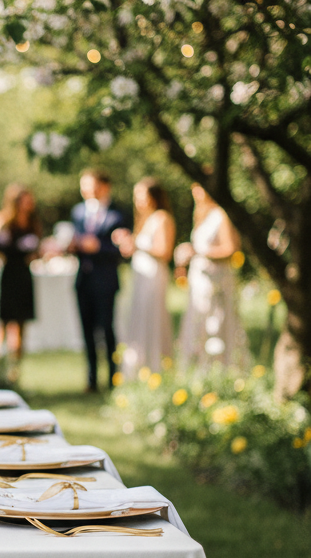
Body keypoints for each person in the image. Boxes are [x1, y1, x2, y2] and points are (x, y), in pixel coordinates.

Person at [176, 183, 248, 370]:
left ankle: (222, 367)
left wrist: (198, 252)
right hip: (200, 278)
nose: (197, 192)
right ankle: (201, 367)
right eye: (195, 187)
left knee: (216, 322)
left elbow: (231, 248)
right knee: (199, 323)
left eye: (201, 187)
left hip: (217, 278)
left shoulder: (221, 214)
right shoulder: (201, 215)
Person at [69, 168, 128, 392]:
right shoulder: (78, 212)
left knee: (107, 329)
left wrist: (99, 247)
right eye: (83, 185)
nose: (86, 190)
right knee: (87, 331)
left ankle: (114, 376)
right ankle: (91, 379)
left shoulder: (118, 214)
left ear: (104, 186)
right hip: (83, 279)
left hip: (106, 280)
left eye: (90, 185)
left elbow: (121, 249)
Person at [115, 178, 176, 378]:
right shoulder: (145, 219)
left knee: (153, 318)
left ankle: (156, 366)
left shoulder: (162, 218)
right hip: (141, 277)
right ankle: (140, 367)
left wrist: (137, 244)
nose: (138, 201)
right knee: (139, 318)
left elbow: (165, 252)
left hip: (154, 276)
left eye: (142, 196)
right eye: (137, 196)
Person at [0, 184, 41, 362]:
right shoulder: (2, 221)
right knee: (3, 321)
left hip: (25, 275)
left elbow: (36, 248)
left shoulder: (33, 222)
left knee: (22, 323)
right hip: (9, 274)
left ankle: (15, 366)